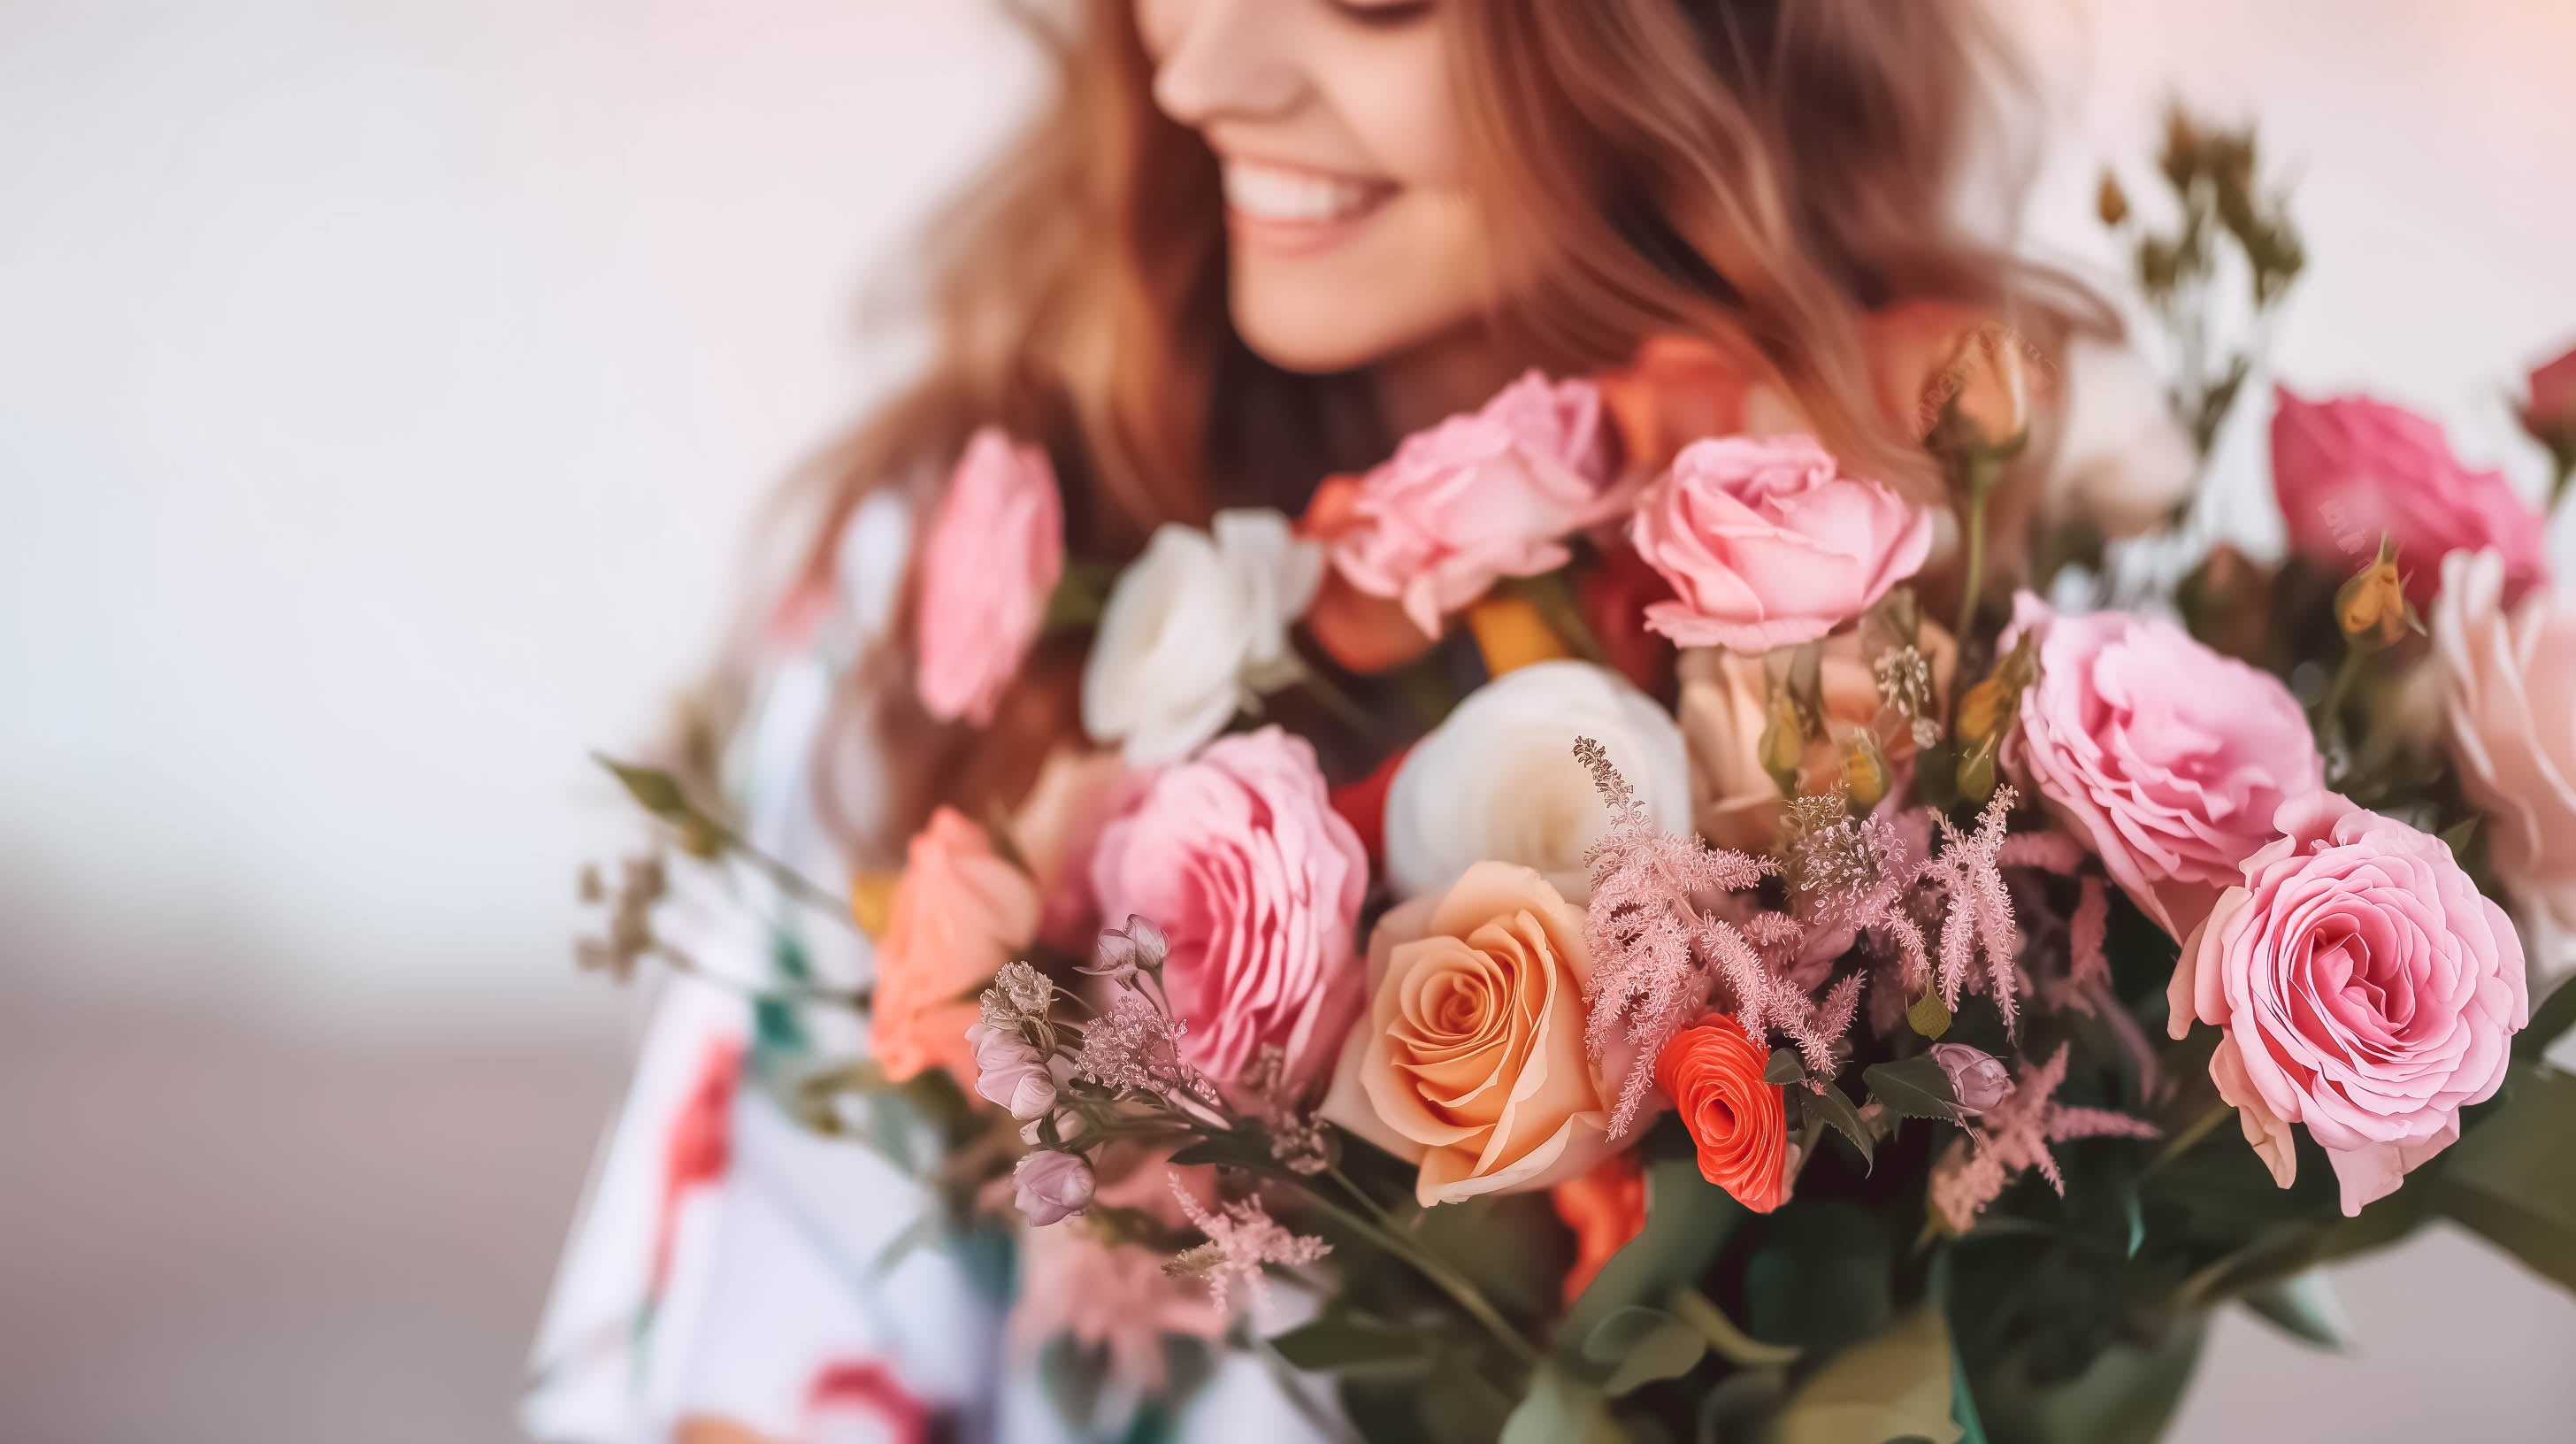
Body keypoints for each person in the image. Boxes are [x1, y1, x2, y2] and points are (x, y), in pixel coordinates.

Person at [525, 2, 2162, 1440]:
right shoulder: (964, 607)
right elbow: (767, 1356)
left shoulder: (1993, 638)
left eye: (1372, 0)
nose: (1199, 69)